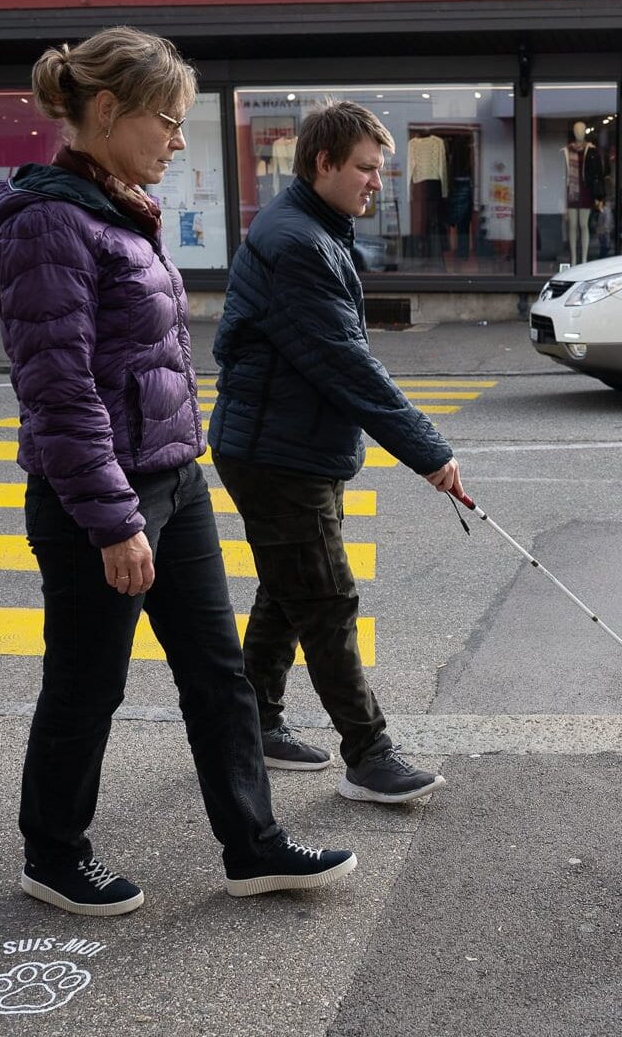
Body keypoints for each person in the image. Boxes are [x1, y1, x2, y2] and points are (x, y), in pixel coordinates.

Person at [0, 26, 354, 915]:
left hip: (174, 480)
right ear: (105, 111)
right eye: (169, 122)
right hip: (101, 497)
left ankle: (252, 846)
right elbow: (58, 393)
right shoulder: (49, 224)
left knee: (218, 674)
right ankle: (53, 853)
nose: (180, 141)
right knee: (86, 684)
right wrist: (112, 519)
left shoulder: (115, 207)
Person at [210, 99, 463, 806]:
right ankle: (369, 753)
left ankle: (256, 719)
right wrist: (429, 452)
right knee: (325, 596)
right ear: (323, 163)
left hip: (291, 444)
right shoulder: (299, 243)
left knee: (290, 589)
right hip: (275, 452)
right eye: (365, 168)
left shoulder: (317, 227)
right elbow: (346, 364)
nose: (376, 182)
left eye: (379, 170)